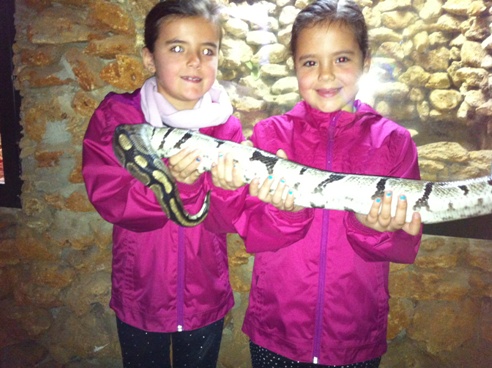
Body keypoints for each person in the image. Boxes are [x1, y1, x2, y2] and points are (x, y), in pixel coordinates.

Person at [233, 0, 423, 367]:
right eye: (310, 62)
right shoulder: (269, 134)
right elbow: (252, 233)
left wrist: (373, 229)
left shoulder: (395, 142)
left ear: (365, 63)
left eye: (341, 59)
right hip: (277, 331)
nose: (325, 76)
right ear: (295, 67)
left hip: (354, 336)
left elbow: (405, 245)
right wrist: (283, 214)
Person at [82, 1, 246, 367]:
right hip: (141, 293)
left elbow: (227, 218)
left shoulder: (226, 127)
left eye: (208, 50)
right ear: (149, 57)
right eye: (177, 48)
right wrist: (176, 184)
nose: (195, 61)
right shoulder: (116, 118)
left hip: (205, 293)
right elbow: (111, 200)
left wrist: (230, 191)